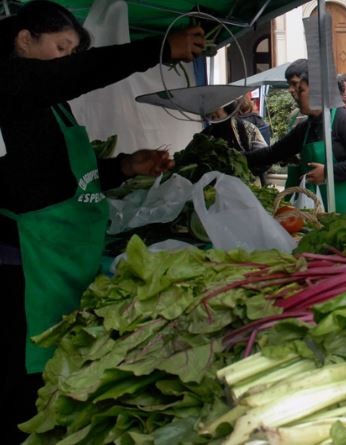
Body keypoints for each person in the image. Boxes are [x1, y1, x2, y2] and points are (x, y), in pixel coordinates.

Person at [0, 1, 204, 439]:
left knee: (57, 373)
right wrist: (161, 48)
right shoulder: (10, 81)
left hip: (66, 258)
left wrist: (125, 167)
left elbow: (55, 176)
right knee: (25, 388)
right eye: (60, 47)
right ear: (24, 40)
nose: (67, 61)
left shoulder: (48, 105)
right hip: (29, 264)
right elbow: (80, 74)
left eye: (72, 52)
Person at [244, 59, 346, 221]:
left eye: (296, 84)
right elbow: (272, 153)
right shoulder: (305, 128)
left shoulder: (345, 121)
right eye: (290, 85)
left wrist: (327, 172)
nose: (291, 90)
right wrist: (236, 157)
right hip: (328, 216)